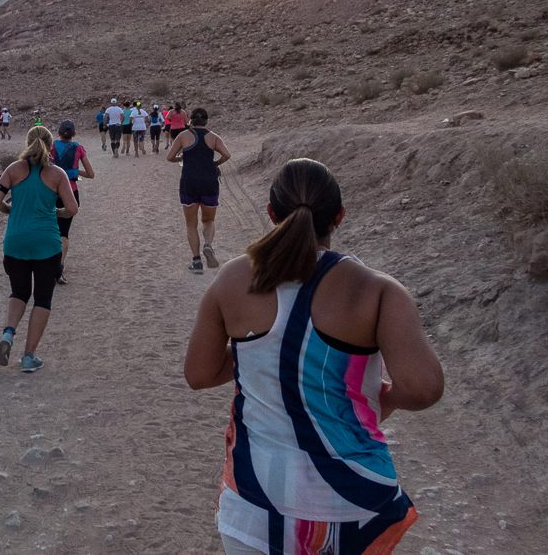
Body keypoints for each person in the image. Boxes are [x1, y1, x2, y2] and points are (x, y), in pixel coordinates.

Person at [184, 158, 443, 555]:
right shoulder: (376, 290)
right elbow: (424, 388)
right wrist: (382, 400)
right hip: (353, 505)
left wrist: (263, 353)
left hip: (256, 505)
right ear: (338, 216)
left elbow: (199, 374)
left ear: (271, 213)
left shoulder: (233, 279)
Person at [0, 126, 77, 373]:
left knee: (18, 292)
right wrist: (55, 212)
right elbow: (73, 209)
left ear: (27, 143)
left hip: (15, 241)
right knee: (43, 298)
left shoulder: (12, 170)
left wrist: (12, 211)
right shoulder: (57, 174)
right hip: (46, 244)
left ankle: (8, 335)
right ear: (51, 146)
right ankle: (28, 357)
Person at [167, 107, 230, 273]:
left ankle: (196, 262)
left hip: (189, 183)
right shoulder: (213, 137)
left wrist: (181, 158)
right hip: (209, 183)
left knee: (191, 223)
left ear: (191, 120)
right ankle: (208, 245)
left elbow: (169, 157)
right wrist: (215, 163)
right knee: (208, 220)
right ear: (207, 121)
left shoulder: (183, 136)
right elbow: (227, 155)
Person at [48, 120, 94, 285]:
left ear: (58, 133)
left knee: (48, 228)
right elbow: (90, 174)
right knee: (63, 232)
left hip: (50, 191)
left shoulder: (51, 147)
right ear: (74, 134)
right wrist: (73, 171)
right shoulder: (79, 149)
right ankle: (59, 267)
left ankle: (44, 264)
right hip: (70, 192)